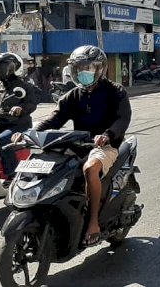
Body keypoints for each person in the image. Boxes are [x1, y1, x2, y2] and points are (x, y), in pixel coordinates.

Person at [14, 45, 131, 247]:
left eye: (88, 67)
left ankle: (93, 222)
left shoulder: (115, 91)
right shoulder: (73, 95)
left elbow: (122, 119)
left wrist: (107, 135)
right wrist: (30, 133)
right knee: (50, 164)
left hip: (106, 145)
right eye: (79, 68)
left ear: (99, 69)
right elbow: (54, 119)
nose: (83, 72)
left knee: (90, 169)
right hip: (78, 144)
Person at [0, 53, 38, 181]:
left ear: (13, 67)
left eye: (3, 65)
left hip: (17, 125)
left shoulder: (23, 86)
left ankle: (11, 174)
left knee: (0, 141)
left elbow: (32, 103)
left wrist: (21, 108)